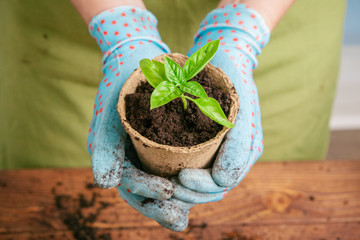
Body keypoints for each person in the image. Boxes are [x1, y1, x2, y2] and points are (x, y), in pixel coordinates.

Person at [0, 0, 346, 231]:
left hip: (275, 19)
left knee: (278, 205)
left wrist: (241, 29)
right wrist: (120, 27)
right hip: (64, 32)